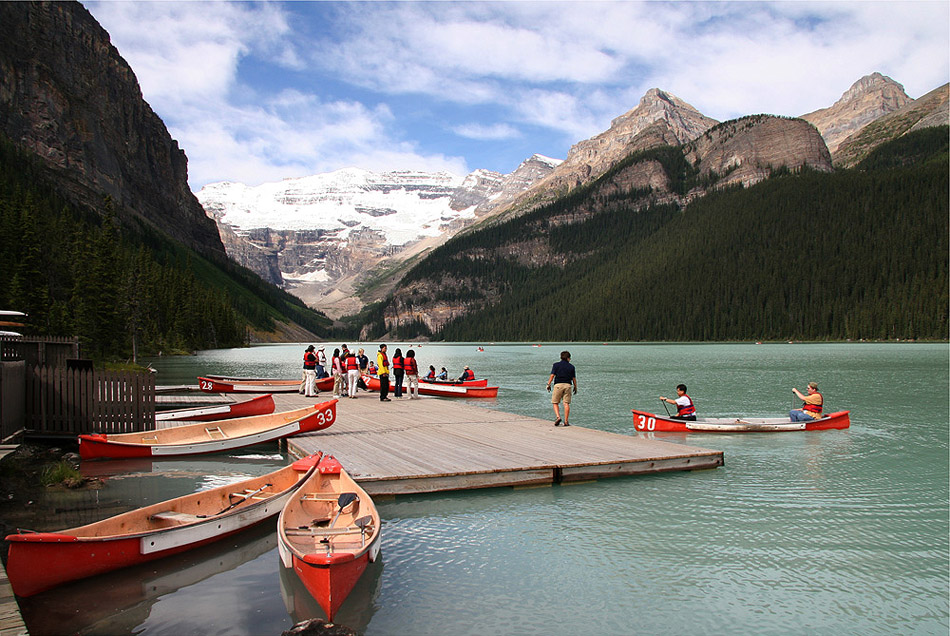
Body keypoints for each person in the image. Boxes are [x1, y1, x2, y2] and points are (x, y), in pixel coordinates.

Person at [546, 351, 577, 426]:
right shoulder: (571, 367)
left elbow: (552, 375)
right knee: (566, 403)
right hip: (568, 385)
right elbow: (574, 378)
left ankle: (558, 417)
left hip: (558, 385)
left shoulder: (556, 365)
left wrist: (548, 384)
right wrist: (575, 387)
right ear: (568, 358)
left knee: (555, 402)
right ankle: (566, 421)